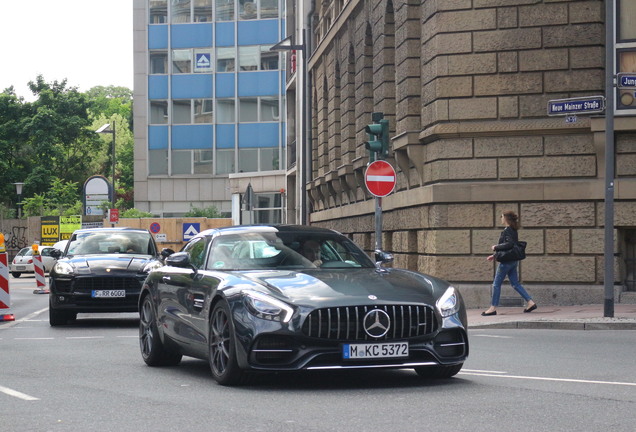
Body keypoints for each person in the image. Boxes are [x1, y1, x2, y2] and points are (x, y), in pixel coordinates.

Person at [482, 211, 537, 316]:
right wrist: (494, 256)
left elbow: (509, 244)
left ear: (506, 218)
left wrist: (495, 247)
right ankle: (530, 302)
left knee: (496, 285)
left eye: (502, 216)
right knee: (515, 284)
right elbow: (510, 247)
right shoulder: (513, 230)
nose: (501, 218)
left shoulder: (507, 230)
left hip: (506, 263)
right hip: (513, 261)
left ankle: (492, 308)